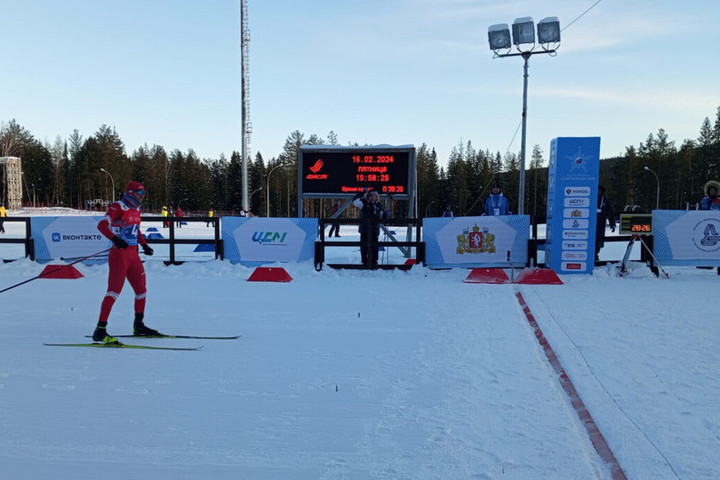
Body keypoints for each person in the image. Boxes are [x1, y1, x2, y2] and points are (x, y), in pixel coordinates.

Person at [92, 181, 159, 343]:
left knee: (141, 290)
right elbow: (101, 226)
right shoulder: (118, 207)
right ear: (130, 192)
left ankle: (138, 325)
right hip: (119, 255)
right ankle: (100, 330)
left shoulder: (136, 209)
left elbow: (135, 229)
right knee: (114, 292)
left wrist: (144, 245)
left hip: (133, 255)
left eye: (143, 193)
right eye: (139, 193)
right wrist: (115, 239)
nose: (142, 196)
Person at [353, 189, 388, 268]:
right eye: (371, 196)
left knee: (374, 247)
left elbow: (383, 217)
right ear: (368, 197)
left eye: (374, 196)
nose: (373, 198)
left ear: (377, 197)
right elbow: (354, 201)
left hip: (374, 230)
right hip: (364, 230)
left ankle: (374, 262)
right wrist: (362, 193)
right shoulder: (363, 203)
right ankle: (365, 263)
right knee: (364, 247)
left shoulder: (379, 205)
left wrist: (386, 215)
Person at [595, 184, 616, 263]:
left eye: (600, 190)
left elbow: (610, 212)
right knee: (591, 240)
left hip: (601, 224)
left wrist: (612, 224)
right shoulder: (591, 198)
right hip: (591, 225)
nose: (598, 192)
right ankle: (592, 256)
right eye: (597, 190)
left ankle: (596, 255)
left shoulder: (605, 200)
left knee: (599, 240)